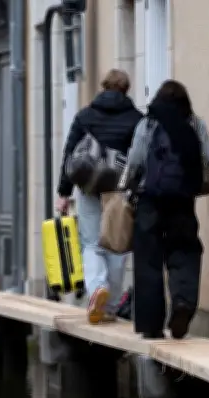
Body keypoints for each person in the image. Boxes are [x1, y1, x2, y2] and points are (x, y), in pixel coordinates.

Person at [125, 80, 209, 339]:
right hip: (182, 201)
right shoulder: (194, 123)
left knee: (148, 260)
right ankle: (182, 303)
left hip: (149, 200)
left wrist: (127, 188)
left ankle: (151, 325)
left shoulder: (147, 124)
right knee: (184, 251)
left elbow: (135, 161)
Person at [56, 69, 142, 324]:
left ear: (103, 87)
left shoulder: (85, 116)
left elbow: (69, 155)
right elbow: (139, 158)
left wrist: (63, 192)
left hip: (89, 188)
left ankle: (97, 291)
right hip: (120, 190)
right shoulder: (136, 119)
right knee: (116, 246)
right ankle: (111, 305)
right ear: (125, 90)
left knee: (92, 243)